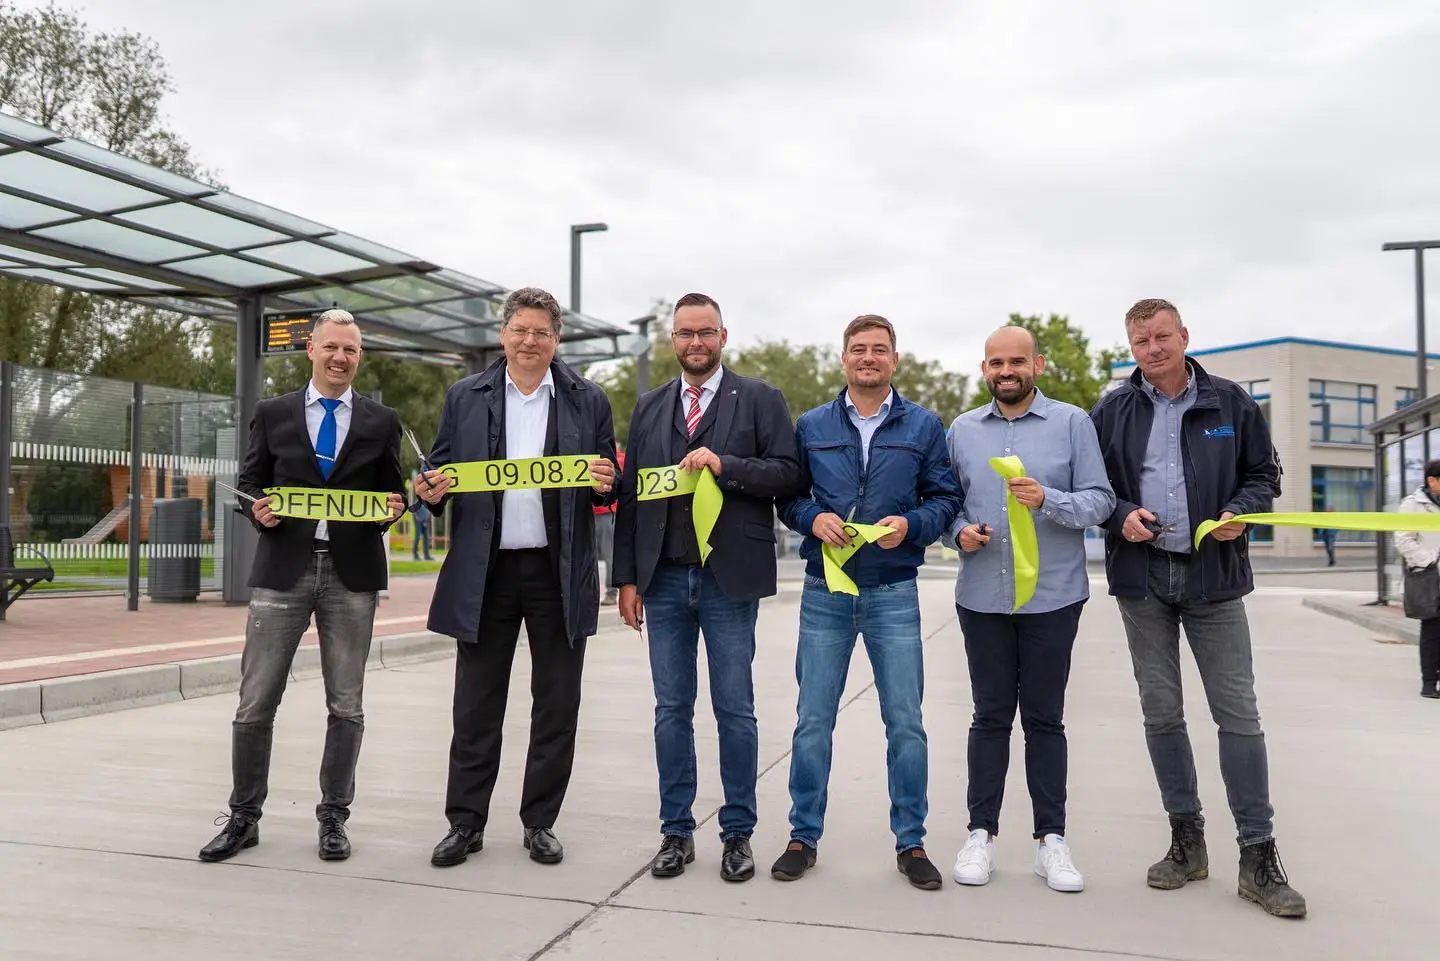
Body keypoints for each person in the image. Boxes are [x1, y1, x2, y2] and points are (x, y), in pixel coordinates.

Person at [1090, 298, 1305, 918]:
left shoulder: (1230, 403)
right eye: (1140, 341)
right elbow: (1093, 489)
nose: (1152, 349)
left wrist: (1240, 510)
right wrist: (1119, 515)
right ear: (1131, 348)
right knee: (1161, 714)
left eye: (1162, 336)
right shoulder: (1112, 410)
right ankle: (1187, 843)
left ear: (1184, 336)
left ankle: (1258, 855)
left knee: (1238, 714)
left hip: (1215, 579)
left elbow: (1264, 476)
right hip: (1143, 581)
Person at [416, 286, 617, 868]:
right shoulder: (465, 396)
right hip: (487, 571)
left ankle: (540, 822)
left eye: (542, 332)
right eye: (521, 330)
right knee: (476, 704)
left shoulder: (588, 399)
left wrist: (606, 482)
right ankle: (465, 823)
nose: (531, 341)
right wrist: (430, 489)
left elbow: (609, 483)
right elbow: (439, 471)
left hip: (559, 570)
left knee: (557, 704)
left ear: (557, 340)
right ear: (503, 335)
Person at [199, 308, 405, 864]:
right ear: (311, 349)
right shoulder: (273, 413)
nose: (340, 357)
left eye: (351, 350)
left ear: (359, 357)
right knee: (255, 701)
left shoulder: (383, 421)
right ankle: (243, 818)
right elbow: (249, 484)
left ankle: (334, 818)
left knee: (347, 703)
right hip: (282, 570)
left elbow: (392, 493)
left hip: (351, 575)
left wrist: (394, 509)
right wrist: (256, 509)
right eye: (331, 347)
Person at [613, 291, 802, 883]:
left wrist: (727, 465)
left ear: (723, 336)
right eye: (685, 333)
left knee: (734, 709)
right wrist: (626, 577)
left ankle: (737, 832)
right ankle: (676, 832)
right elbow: (632, 497)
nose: (695, 342)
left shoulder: (761, 399)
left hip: (729, 580)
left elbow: (788, 473)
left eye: (705, 332)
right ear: (673, 340)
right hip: (664, 578)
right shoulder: (650, 406)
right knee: (671, 709)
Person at [771, 314, 961, 890]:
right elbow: (789, 498)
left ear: (895, 360)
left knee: (906, 724)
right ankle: (803, 837)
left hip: (893, 592)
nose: (869, 357)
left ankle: (912, 843)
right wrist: (812, 517)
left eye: (880, 349)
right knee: (812, 721)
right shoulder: (811, 425)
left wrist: (913, 525)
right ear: (844, 358)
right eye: (859, 349)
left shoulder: (923, 425)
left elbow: (945, 498)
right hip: (824, 591)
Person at [941, 325, 1114, 893]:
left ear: (1037, 365)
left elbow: (1101, 501)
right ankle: (980, 835)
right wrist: (959, 532)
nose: (1006, 371)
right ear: (984, 369)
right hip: (982, 598)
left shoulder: (1072, 423)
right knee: (989, 717)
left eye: (1017, 361)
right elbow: (944, 504)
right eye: (996, 363)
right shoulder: (962, 430)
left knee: (1045, 720)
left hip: (1052, 598)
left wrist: (1049, 500)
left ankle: (1051, 841)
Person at [1394, 460, 1440, 699]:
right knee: (1432, 630)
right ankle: (1429, 683)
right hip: (1430, 577)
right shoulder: (1412, 505)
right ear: (1432, 480)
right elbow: (1403, 540)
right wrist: (1430, 559)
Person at [593, 445, 626, 605]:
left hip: (606, 512)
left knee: (607, 555)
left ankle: (611, 592)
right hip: (598, 512)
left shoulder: (620, 459)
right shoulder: (595, 459)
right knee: (602, 555)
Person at [412, 491, 433, 561]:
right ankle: (415, 555)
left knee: (426, 539)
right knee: (417, 538)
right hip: (418, 522)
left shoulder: (427, 502)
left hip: (425, 522)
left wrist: (427, 520)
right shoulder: (417, 502)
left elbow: (429, 512)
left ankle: (427, 556)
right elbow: (414, 512)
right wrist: (417, 518)